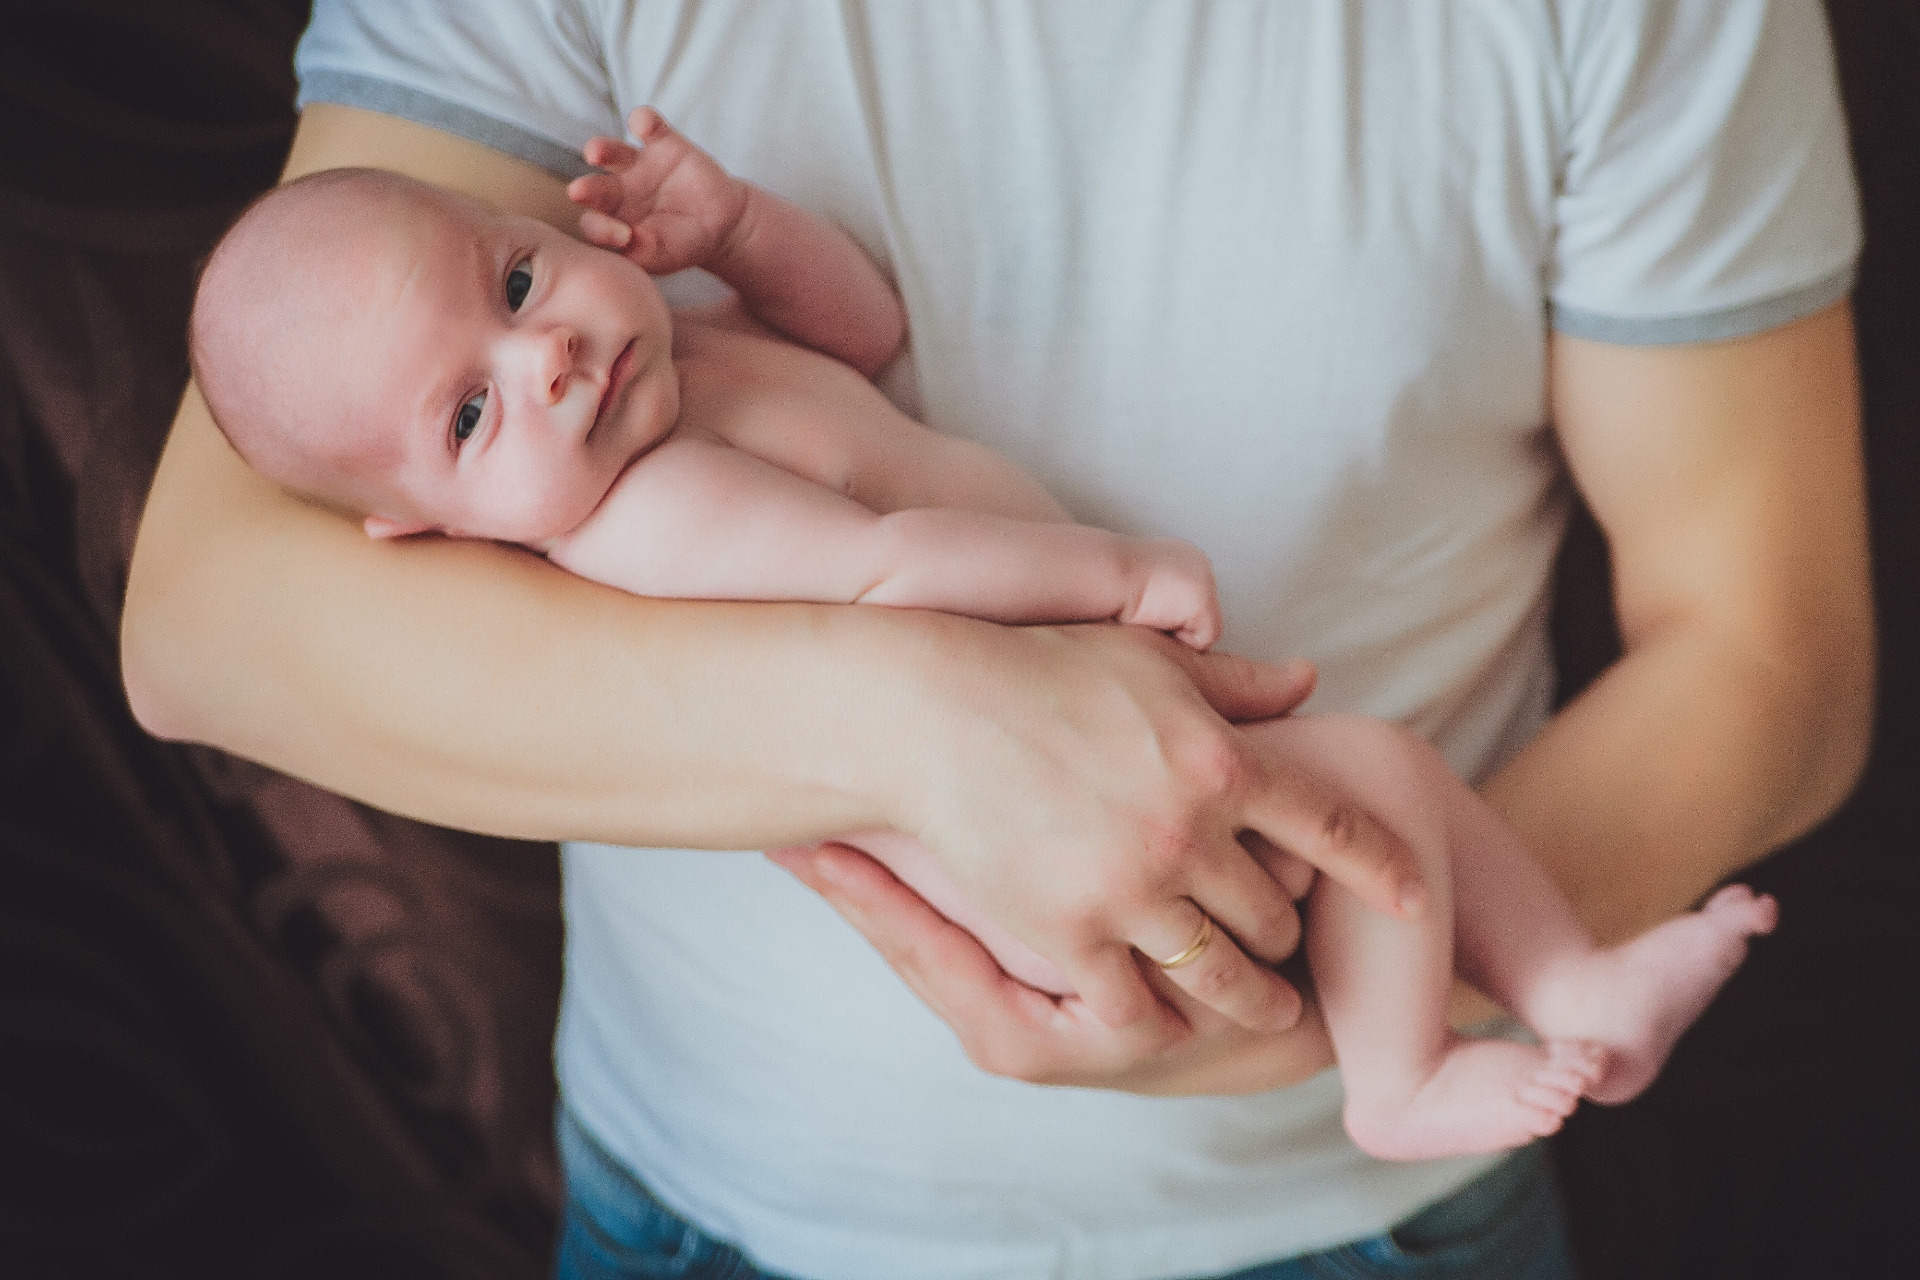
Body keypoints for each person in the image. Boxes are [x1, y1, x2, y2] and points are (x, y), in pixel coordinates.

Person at [122, 2, 1871, 1277]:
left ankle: (1538, 989)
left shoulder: (672, 360)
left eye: (520, 288)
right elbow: (884, 575)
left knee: (1391, 796)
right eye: (473, 416)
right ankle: (1415, 1066)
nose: (551, 360)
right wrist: (1106, 585)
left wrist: (733, 233)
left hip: (1351, 1227)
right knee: (1377, 783)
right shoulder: (647, 506)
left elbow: (1772, 653)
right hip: (738, 1207)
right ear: (421, 516)